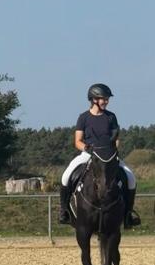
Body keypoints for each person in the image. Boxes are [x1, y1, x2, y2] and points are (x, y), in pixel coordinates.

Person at [59, 83, 140, 227]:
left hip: (108, 155)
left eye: (107, 99)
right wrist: (87, 148)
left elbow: (116, 139)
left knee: (131, 177)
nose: (106, 101)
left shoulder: (111, 117)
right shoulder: (83, 117)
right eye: (104, 99)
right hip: (88, 154)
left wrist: (113, 150)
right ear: (94, 99)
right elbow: (77, 141)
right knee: (66, 176)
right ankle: (64, 211)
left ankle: (129, 214)